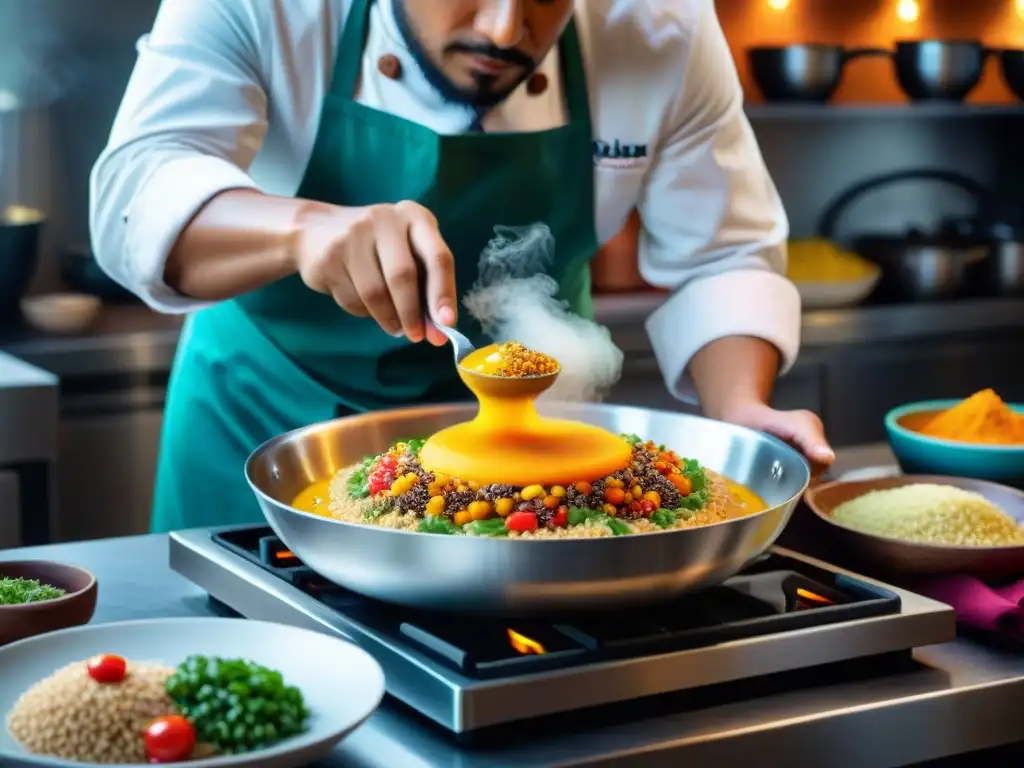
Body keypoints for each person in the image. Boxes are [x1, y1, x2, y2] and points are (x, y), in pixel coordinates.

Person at [90, 0, 834, 534]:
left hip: (531, 464)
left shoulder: (658, 20)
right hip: (265, 429)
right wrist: (304, 229)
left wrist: (739, 408)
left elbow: (724, 254)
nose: (504, 28)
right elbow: (136, 194)